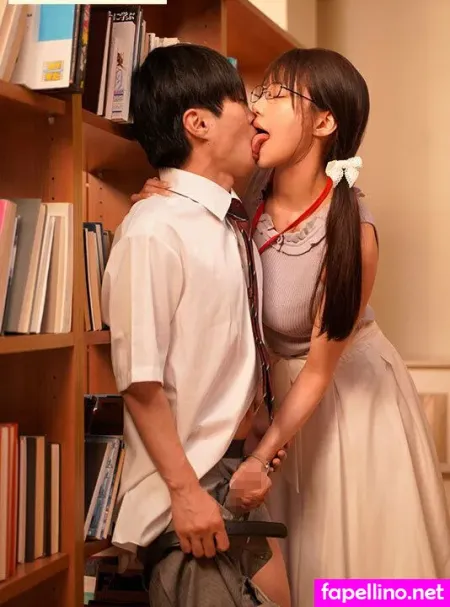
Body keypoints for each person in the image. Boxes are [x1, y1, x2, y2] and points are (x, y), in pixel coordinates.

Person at [133, 47, 450, 607]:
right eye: (259, 93)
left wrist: (260, 458)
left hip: (345, 400)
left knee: (352, 564)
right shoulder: (244, 187)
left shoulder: (353, 231)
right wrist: (165, 195)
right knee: (285, 565)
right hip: (273, 401)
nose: (257, 107)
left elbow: (320, 372)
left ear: (324, 123)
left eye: (278, 95)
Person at [101, 43, 291, 607]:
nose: (254, 116)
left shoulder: (229, 222)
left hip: (235, 473)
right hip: (185, 488)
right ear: (198, 123)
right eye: (242, 103)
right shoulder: (154, 229)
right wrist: (185, 494)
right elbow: (139, 381)